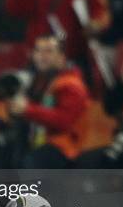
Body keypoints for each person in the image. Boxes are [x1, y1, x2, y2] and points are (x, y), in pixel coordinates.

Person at [7, 34, 90, 168]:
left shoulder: (71, 84)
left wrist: (27, 110)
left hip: (63, 148)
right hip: (35, 140)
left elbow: (64, 121)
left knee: (32, 163)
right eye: (38, 51)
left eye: (49, 51)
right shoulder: (36, 80)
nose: (42, 56)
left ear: (62, 57)